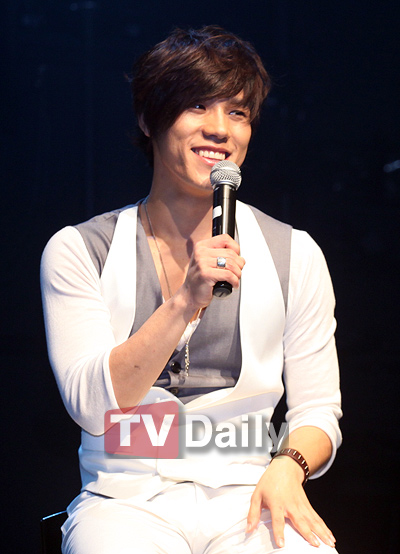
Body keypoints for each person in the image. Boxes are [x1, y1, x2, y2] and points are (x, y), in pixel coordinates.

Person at [40, 25, 342, 554]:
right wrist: (183, 302)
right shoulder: (80, 249)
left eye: (238, 112)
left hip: (250, 493)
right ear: (148, 119)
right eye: (198, 106)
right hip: (124, 499)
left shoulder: (295, 253)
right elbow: (90, 405)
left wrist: (288, 467)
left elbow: (318, 411)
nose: (220, 129)